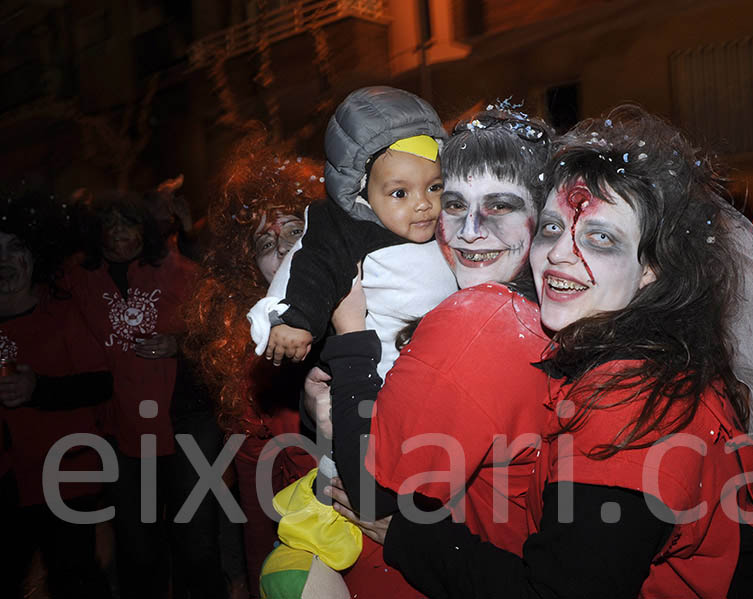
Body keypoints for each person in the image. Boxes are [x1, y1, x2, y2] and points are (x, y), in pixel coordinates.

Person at [326, 106, 753, 598]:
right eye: (552, 227)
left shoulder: (634, 402)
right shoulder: (623, 346)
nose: (561, 256)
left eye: (600, 237)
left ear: (651, 267)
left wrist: (407, 534)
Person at [306, 107, 553, 596]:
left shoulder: (480, 321)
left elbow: (367, 495)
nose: (469, 230)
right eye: (455, 204)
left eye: (500, 205)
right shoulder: (549, 309)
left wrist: (350, 334)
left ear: (544, 215)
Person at [182, 129, 328, 598]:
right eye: (267, 244)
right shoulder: (250, 355)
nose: (284, 250)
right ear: (250, 266)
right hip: (301, 551)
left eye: (295, 230)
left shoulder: (375, 323)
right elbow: (254, 487)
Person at [62, 191, 223, 599]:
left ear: (144, 229)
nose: (119, 233)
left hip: (183, 424)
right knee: (137, 548)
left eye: (128, 223)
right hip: (122, 432)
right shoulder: (79, 279)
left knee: (195, 544)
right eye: (110, 223)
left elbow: (218, 324)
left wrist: (179, 343)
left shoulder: (173, 271)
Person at [247, 86, 458, 376]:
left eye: (435, 187)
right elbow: (314, 269)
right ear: (361, 192)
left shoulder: (455, 219)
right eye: (399, 193)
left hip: (458, 361)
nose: (423, 204)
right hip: (388, 376)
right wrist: (295, 320)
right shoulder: (349, 231)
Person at [0, 189, 113, 599]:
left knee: (75, 580)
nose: (3, 260)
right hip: (7, 482)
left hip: (65, 475)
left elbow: (101, 382)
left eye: (14, 248)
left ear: (35, 255)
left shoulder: (62, 313)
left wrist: (39, 389)